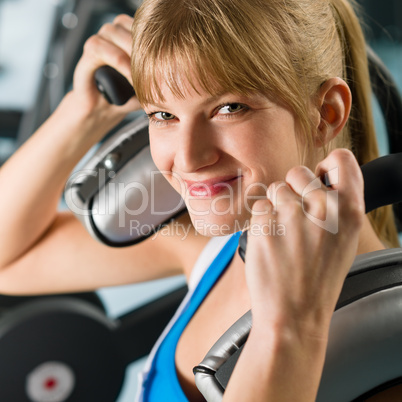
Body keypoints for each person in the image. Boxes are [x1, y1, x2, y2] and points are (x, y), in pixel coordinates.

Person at [0, 0, 400, 400]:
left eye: (229, 108)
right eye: (163, 115)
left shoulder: (386, 346)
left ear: (326, 113)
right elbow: (8, 260)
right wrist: (83, 112)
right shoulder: (216, 246)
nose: (188, 158)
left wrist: (289, 326)